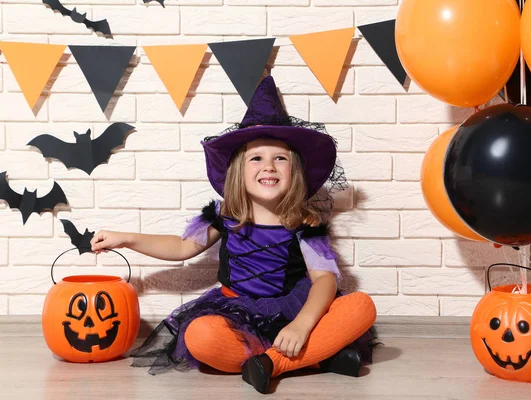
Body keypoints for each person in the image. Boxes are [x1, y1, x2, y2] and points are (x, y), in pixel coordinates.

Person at [90, 76, 377, 394]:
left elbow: (325, 280)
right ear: (239, 172)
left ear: (294, 171)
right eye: (257, 158)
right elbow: (183, 246)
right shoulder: (224, 215)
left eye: (279, 158)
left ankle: (274, 364)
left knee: (360, 306)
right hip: (238, 316)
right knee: (200, 336)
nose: (268, 166)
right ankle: (317, 359)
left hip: (295, 314)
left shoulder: (305, 222)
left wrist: (302, 324)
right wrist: (127, 238)